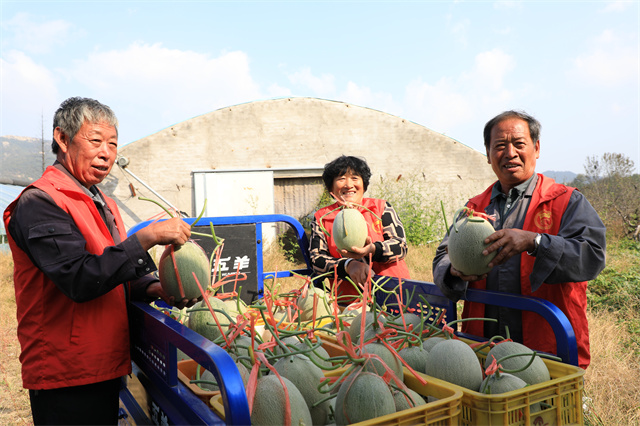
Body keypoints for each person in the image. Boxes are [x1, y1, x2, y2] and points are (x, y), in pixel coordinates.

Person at [3, 97, 199, 425]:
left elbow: (112, 271)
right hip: (66, 373)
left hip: (103, 362)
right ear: (62, 138)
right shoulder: (40, 202)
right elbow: (80, 278)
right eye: (95, 141)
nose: (107, 153)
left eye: (113, 144)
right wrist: (147, 237)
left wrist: (154, 288)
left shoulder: (102, 202)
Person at [432, 110, 606, 370]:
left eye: (519, 144)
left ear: (536, 149)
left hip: (548, 345)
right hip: (481, 345)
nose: (510, 153)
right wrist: (453, 270)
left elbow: (592, 255)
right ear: (488, 154)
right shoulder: (472, 208)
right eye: (500, 146)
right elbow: (443, 255)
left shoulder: (566, 200)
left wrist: (535, 242)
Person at [309, 155, 410, 300]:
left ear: (364, 183)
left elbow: (401, 246)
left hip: (394, 294)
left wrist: (373, 249)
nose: (348, 185)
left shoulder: (381, 208)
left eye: (355, 178)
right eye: (341, 179)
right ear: (331, 186)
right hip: (349, 303)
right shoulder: (322, 217)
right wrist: (348, 265)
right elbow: (316, 260)